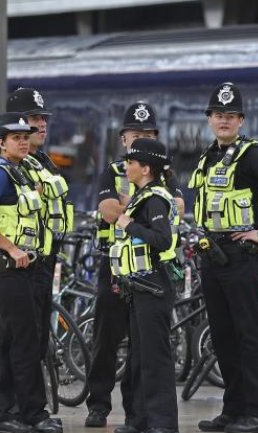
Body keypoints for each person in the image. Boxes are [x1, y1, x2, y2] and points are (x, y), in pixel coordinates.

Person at [188, 82, 258, 433]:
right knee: (223, 335)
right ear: (209, 119)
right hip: (213, 256)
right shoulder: (210, 156)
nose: (224, 121)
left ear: (241, 120)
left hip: (242, 256)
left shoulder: (251, 154)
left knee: (249, 335)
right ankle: (233, 411)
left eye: (230, 116)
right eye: (218, 115)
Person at [85, 102, 184, 432]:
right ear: (123, 137)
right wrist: (133, 207)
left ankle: (137, 414)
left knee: (145, 348)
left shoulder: (160, 176)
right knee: (106, 338)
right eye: (135, 134)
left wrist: (132, 209)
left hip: (146, 273)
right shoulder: (115, 171)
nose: (140, 138)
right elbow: (108, 209)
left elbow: (178, 207)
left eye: (148, 134)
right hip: (113, 266)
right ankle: (98, 405)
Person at [0, 112, 62, 433]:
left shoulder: (23, 171)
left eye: (26, 136)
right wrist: (11, 248)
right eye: (16, 137)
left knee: (5, 340)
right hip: (4, 267)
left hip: (19, 269)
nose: (23, 141)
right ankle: (33, 413)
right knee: (24, 340)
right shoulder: (0, 174)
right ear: (1, 143)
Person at [108, 137, 180, 433]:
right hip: (138, 286)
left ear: (146, 168)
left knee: (155, 358)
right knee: (138, 357)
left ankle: (162, 424)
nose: (126, 167)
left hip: (154, 285)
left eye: (131, 162)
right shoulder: (143, 195)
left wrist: (128, 224)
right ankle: (139, 421)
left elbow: (161, 239)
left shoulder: (154, 199)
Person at [6, 88, 73, 362]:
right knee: (24, 335)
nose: (42, 124)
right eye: (35, 118)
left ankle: (32, 399)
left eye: (43, 118)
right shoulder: (12, 166)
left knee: (39, 334)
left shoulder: (43, 161)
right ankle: (18, 402)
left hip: (46, 259)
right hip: (25, 262)